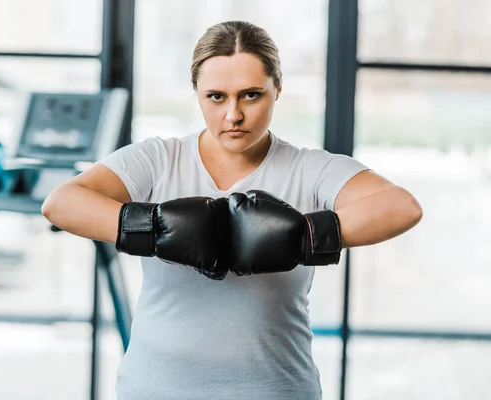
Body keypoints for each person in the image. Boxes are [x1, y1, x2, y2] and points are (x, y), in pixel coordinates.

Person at [42, 20, 423, 400]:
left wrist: (301, 236)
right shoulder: (159, 158)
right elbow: (61, 203)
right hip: (155, 389)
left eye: (251, 95)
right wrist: (157, 228)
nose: (233, 115)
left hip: (276, 390)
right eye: (217, 96)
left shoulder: (309, 168)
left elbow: (400, 207)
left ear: (278, 89)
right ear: (197, 93)